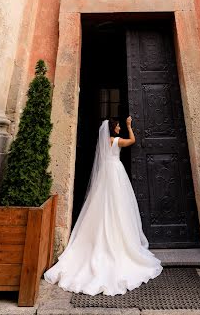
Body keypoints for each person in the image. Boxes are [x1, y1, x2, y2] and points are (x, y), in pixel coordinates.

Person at [44, 116, 162, 295]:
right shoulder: (116, 141)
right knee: (119, 205)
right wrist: (130, 126)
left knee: (101, 203)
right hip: (115, 172)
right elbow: (133, 141)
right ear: (113, 128)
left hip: (105, 173)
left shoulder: (103, 142)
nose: (119, 127)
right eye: (118, 125)